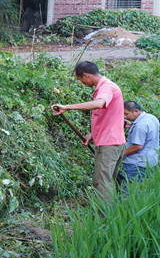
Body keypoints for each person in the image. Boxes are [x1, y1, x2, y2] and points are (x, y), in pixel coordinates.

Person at [51, 61, 125, 202]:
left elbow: (98, 104)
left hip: (109, 144)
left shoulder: (106, 87)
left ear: (85, 75)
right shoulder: (107, 87)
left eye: (81, 80)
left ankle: (103, 220)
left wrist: (67, 107)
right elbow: (111, 117)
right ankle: (111, 215)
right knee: (108, 181)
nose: (82, 83)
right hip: (112, 141)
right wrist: (93, 135)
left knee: (102, 183)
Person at [122, 101, 159, 183]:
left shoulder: (140, 125)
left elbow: (137, 146)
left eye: (126, 114)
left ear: (135, 111)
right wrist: (132, 126)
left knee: (129, 191)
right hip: (151, 162)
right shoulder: (151, 118)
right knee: (144, 191)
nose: (124, 117)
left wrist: (121, 154)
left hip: (136, 164)